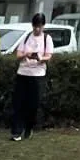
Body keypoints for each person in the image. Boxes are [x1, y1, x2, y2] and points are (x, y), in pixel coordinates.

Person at [10, 13, 54, 141]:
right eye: (35, 26)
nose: (37, 29)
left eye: (39, 26)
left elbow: (49, 56)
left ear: (43, 26)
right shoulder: (26, 37)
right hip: (23, 72)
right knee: (19, 102)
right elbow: (18, 54)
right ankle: (16, 131)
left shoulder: (47, 39)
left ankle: (29, 127)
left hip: (38, 74)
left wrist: (41, 58)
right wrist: (25, 55)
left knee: (33, 103)